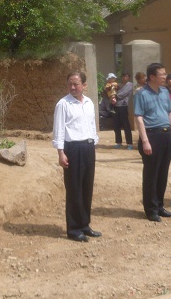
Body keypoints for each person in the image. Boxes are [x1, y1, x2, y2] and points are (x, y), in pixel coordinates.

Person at [52, 72, 101, 242]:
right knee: (74, 189)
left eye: (76, 84)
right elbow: (58, 129)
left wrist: (93, 142)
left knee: (87, 187)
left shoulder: (88, 103)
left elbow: (92, 124)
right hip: (72, 148)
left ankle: (85, 224)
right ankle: (73, 229)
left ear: (84, 85)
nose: (73, 87)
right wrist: (61, 152)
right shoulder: (63, 104)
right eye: (70, 84)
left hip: (88, 147)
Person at [134, 63, 171, 222]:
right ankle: (151, 209)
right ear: (152, 77)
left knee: (162, 173)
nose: (165, 77)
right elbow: (139, 117)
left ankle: (160, 205)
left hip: (166, 135)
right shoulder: (141, 94)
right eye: (162, 74)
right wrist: (145, 141)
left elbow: (170, 113)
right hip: (151, 136)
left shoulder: (165, 92)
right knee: (151, 174)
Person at [113, 73, 133, 149]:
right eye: (123, 76)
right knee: (116, 125)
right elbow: (112, 90)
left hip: (123, 106)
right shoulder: (119, 85)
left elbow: (123, 94)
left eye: (126, 76)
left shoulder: (129, 85)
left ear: (128, 77)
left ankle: (129, 143)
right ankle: (118, 142)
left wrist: (114, 95)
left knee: (126, 125)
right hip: (116, 106)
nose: (125, 78)